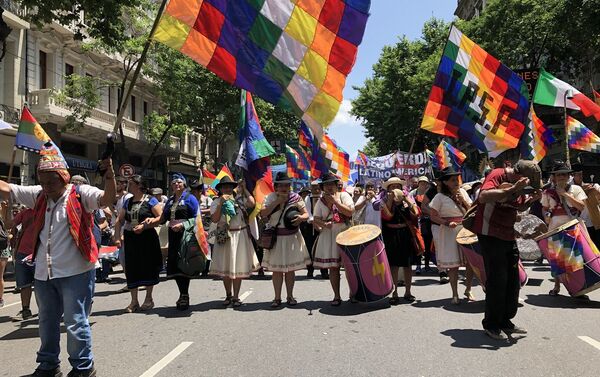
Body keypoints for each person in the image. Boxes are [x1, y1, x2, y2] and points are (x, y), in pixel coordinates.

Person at [0, 144, 115, 377]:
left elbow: (107, 198)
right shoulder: (39, 195)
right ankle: (49, 366)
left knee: (75, 323)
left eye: (51, 182)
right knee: (46, 322)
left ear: (63, 178)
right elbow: (6, 189)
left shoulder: (81, 194)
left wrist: (110, 173)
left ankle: (83, 368)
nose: (46, 187)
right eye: (42, 182)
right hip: (44, 273)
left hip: (76, 271)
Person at [472, 159, 541, 340]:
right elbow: (483, 196)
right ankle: (491, 324)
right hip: (489, 233)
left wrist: (531, 200)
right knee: (497, 279)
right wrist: (512, 188)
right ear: (519, 175)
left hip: (508, 235)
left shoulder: (520, 186)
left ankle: (505, 321)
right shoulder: (497, 174)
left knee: (513, 280)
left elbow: (517, 206)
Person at [113, 175, 163, 313]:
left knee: (148, 266)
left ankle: (148, 298)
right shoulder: (128, 201)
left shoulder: (150, 200)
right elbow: (119, 220)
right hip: (131, 238)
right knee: (132, 267)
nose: (128, 185)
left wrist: (146, 225)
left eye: (131, 183)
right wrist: (117, 236)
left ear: (139, 185)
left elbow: (160, 217)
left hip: (147, 237)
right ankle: (134, 301)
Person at [260, 172, 311, 307]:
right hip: (276, 238)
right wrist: (277, 202)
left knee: (290, 270)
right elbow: (263, 213)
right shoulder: (270, 198)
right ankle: (277, 298)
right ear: (276, 187)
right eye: (281, 185)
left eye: (287, 185)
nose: (284, 188)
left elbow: (306, 214)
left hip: (292, 237)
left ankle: (290, 296)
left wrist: (301, 218)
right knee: (276, 270)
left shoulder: (296, 197)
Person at [428, 167, 476, 304]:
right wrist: (446, 223)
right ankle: (454, 294)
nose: (456, 182)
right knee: (453, 264)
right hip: (449, 232)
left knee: (470, 262)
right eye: (453, 180)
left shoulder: (463, 192)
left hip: (465, 229)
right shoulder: (439, 197)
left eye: (457, 179)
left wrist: (464, 201)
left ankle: (468, 289)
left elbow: (472, 210)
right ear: (446, 182)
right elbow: (433, 216)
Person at [209, 176, 259, 307]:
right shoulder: (216, 202)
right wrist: (221, 203)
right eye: (224, 187)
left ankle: (236, 296)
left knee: (238, 267)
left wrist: (245, 189)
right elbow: (214, 219)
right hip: (225, 235)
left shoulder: (239, 200)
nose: (227, 189)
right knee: (226, 267)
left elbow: (252, 203)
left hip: (239, 234)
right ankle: (228, 294)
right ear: (220, 189)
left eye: (230, 187)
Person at [541, 162, 586, 297]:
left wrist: (565, 195)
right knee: (556, 259)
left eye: (564, 174)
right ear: (553, 177)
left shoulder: (577, 189)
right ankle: (556, 286)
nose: (561, 177)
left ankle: (579, 287)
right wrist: (546, 216)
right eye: (558, 175)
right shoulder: (547, 192)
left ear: (568, 176)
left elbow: (581, 207)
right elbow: (544, 208)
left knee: (576, 259)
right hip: (555, 229)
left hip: (574, 227)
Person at [313, 173, 354, 306]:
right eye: (326, 185)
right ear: (323, 187)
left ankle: (353, 293)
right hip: (329, 235)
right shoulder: (320, 201)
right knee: (334, 268)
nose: (329, 187)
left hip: (345, 233)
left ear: (337, 185)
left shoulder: (344, 196)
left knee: (349, 267)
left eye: (331, 184)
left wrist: (335, 202)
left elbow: (350, 212)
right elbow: (316, 218)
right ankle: (336, 296)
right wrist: (324, 224)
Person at [159, 173, 199, 310]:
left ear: (184, 185)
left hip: (185, 234)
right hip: (172, 235)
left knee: (184, 264)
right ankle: (182, 293)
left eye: (179, 182)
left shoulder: (190, 199)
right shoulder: (169, 201)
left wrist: (183, 225)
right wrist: (146, 222)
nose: (176, 184)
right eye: (174, 182)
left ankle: (184, 295)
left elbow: (196, 218)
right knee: (175, 265)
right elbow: (163, 218)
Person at [380, 176, 419, 303]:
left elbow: (416, 214)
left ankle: (408, 292)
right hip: (391, 234)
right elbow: (388, 216)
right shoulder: (384, 201)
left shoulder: (407, 200)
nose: (395, 189)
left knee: (407, 265)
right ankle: (394, 293)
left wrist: (407, 200)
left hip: (405, 234)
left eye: (398, 187)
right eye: (392, 187)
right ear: (388, 190)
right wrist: (391, 200)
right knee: (394, 265)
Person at [421, 176, 450, 284]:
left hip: (450, 223)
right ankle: (442, 271)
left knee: (449, 245)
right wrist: (434, 214)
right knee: (439, 246)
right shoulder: (431, 191)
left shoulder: (450, 190)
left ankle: (450, 268)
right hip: (436, 224)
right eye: (438, 180)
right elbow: (423, 206)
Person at [10, 206, 36, 321]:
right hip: (22, 252)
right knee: (24, 284)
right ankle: (25, 310)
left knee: (42, 285)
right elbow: (10, 225)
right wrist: (5, 211)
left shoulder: (47, 210)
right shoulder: (25, 212)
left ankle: (47, 310)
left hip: (39, 252)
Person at [302, 180, 328, 279]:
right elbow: (308, 213)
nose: (316, 189)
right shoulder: (308, 198)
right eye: (314, 187)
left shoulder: (324, 198)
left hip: (323, 226)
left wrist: (322, 225)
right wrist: (315, 223)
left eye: (317, 187)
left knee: (322, 249)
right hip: (310, 227)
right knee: (310, 248)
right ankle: (310, 270)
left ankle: (324, 271)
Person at [572, 164, 600, 246]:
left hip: (595, 222)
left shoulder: (593, 185)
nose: (581, 176)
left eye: (582, 174)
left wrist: (595, 191)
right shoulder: (571, 188)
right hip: (581, 223)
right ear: (573, 175)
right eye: (578, 174)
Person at [411, 176, 432, 274]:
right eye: (421, 182)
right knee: (419, 244)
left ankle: (427, 265)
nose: (423, 184)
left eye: (425, 182)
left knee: (428, 244)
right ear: (418, 183)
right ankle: (418, 265)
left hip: (429, 222)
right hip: (417, 222)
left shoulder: (431, 193)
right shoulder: (413, 193)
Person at [0, 200, 9, 308]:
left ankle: (0, 298)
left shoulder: (3, 215)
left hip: (2, 249)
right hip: (3, 248)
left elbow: (8, 226)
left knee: (0, 276)